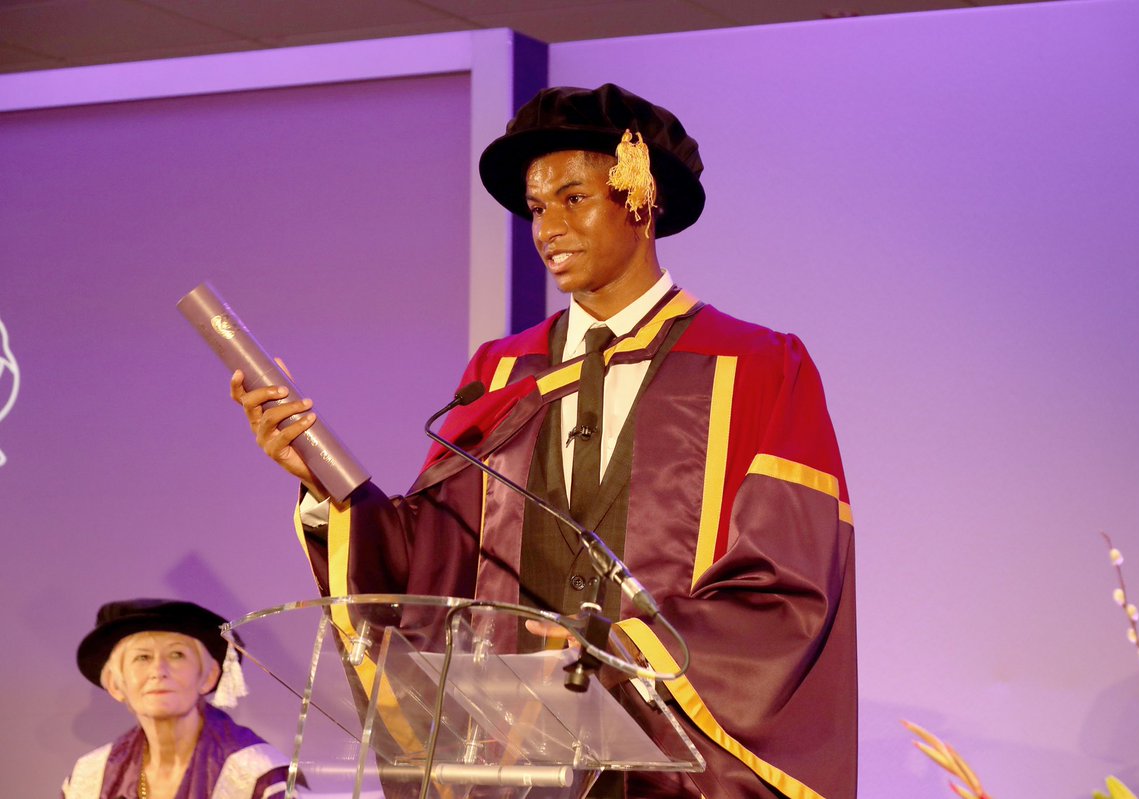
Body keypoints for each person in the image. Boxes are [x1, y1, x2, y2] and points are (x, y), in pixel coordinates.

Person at [232, 84, 857, 799]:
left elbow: (789, 582)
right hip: (513, 765)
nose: (547, 229)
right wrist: (326, 481)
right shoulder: (502, 370)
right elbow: (433, 560)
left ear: (642, 199)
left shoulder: (758, 366)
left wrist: (622, 648)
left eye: (572, 199)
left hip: (672, 768)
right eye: (535, 208)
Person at [62, 598, 295, 799]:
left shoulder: (258, 775)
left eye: (177, 655)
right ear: (115, 684)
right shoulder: (90, 778)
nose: (159, 671)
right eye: (142, 657)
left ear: (209, 676)